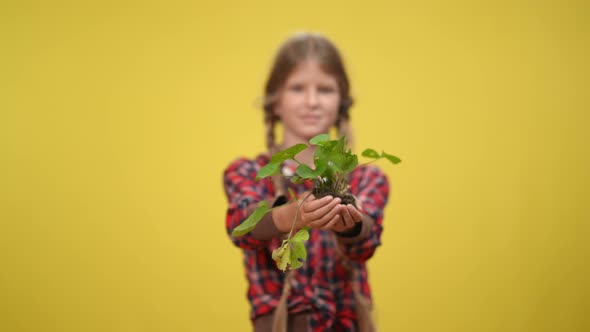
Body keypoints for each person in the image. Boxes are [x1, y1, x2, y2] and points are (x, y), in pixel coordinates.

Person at [223, 32, 390, 332]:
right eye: (297, 88)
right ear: (275, 103)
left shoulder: (366, 177)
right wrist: (290, 214)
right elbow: (241, 225)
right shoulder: (247, 172)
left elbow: (366, 240)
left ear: (341, 102)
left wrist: (350, 223)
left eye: (325, 90)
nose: (312, 101)